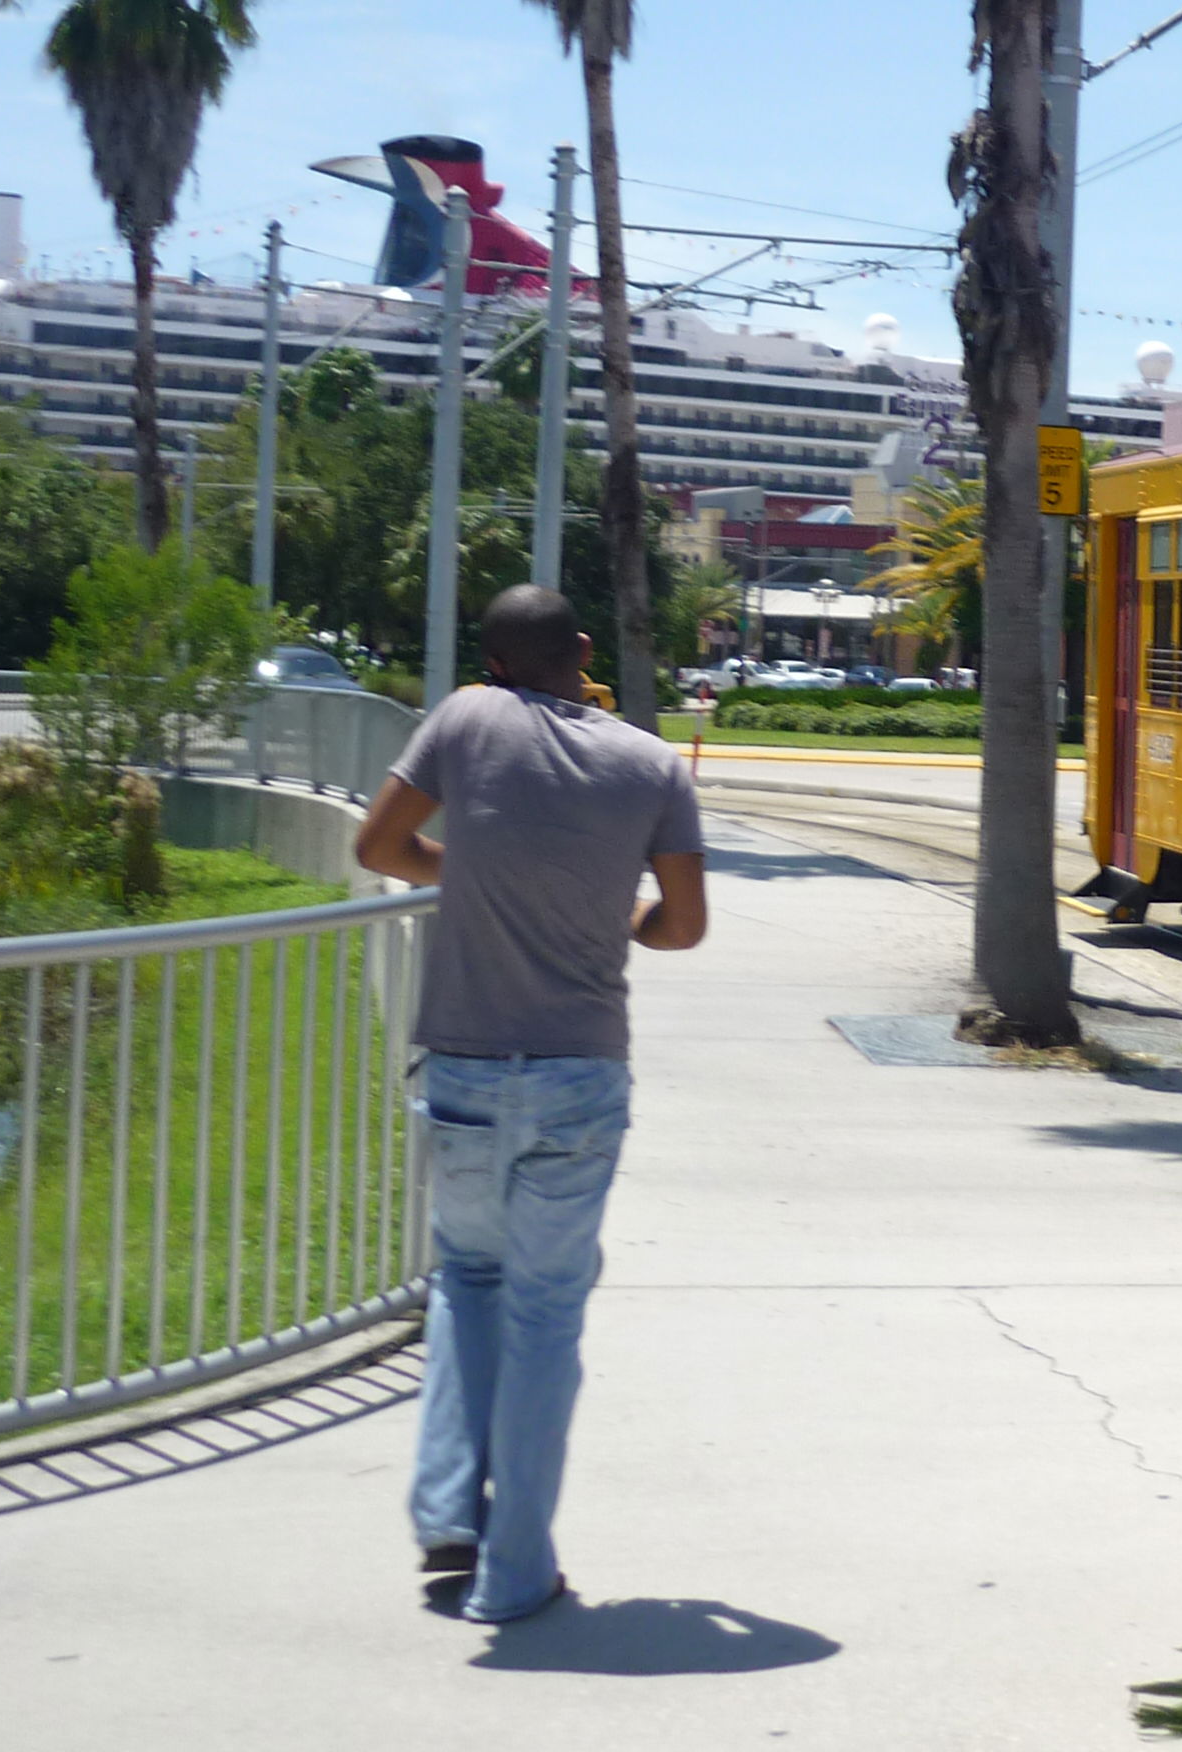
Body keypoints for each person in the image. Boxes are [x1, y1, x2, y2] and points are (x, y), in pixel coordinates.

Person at [355, 583, 709, 1623]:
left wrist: (466, 870)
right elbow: (683, 927)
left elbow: (378, 847)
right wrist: (625, 923)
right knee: (547, 1312)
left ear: (495, 661)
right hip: (579, 1077)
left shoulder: (464, 718)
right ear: (584, 650)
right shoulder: (651, 764)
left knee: (466, 1280)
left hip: (461, 1065)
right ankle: (514, 1576)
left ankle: (447, 1519)